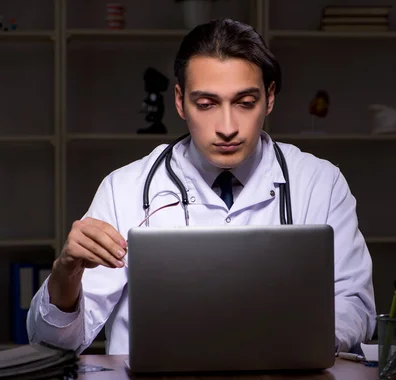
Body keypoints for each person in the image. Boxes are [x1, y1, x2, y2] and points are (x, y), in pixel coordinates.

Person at [26, 18, 376, 355]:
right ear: (179, 101)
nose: (227, 127)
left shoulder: (320, 182)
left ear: (269, 98)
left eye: (245, 103)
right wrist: (65, 275)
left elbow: (356, 305)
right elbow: (55, 343)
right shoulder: (124, 189)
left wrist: (288, 344)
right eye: (206, 104)